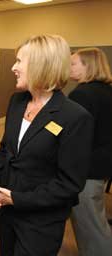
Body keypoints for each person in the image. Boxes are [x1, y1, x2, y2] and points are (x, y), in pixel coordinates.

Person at [0, 35, 94, 256]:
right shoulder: (17, 102)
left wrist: (17, 198)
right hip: (5, 209)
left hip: (40, 220)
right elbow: (5, 150)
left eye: (19, 61)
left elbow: (69, 184)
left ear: (40, 65)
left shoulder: (74, 116)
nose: (13, 67)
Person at [68, 47, 112, 256]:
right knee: (96, 216)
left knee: (91, 227)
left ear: (88, 66)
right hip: (103, 166)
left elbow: (73, 136)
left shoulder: (82, 94)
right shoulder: (107, 90)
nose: (68, 67)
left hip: (86, 170)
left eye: (73, 63)